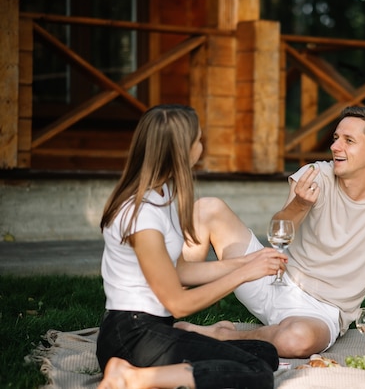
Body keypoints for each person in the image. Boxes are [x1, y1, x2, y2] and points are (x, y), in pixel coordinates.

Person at [178, 106, 365, 358]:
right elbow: (278, 233)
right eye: (336, 139)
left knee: (295, 340)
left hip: (321, 311)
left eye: (349, 141)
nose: (336, 147)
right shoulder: (314, 175)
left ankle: (224, 335)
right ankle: (165, 309)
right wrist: (300, 204)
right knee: (208, 209)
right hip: (271, 277)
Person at [95, 104, 288, 389]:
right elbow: (178, 302)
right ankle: (130, 377)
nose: (202, 145)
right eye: (198, 139)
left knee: (265, 354)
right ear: (181, 150)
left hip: (155, 329)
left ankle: (170, 366)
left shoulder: (164, 193)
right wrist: (243, 275)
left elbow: (182, 271)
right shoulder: (141, 215)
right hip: (131, 335)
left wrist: (248, 261)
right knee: (256, 374)